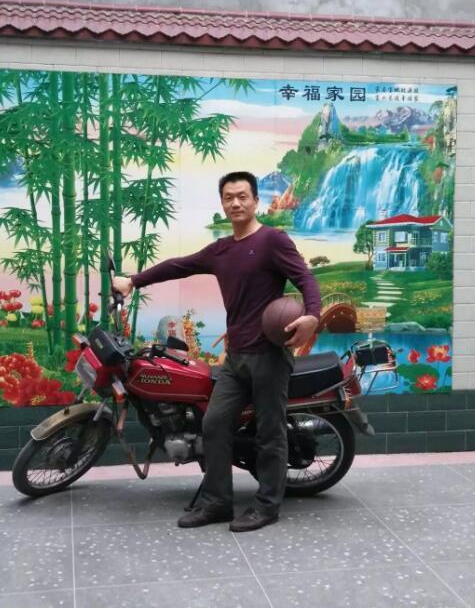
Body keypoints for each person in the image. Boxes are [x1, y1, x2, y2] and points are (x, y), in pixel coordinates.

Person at [112, 171, 321, 532]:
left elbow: (305, 278)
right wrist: (133, 281)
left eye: (243, 196)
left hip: (269, 357)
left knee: (269, 433)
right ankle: (218, 502)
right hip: (236, 358)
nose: (236, 203)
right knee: (214, 424)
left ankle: (267, 506)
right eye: (229, 197)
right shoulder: (221, 249)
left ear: (255, 201)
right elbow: (179, 265)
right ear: (223, 203)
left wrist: (312, 316)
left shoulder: (273, 240)